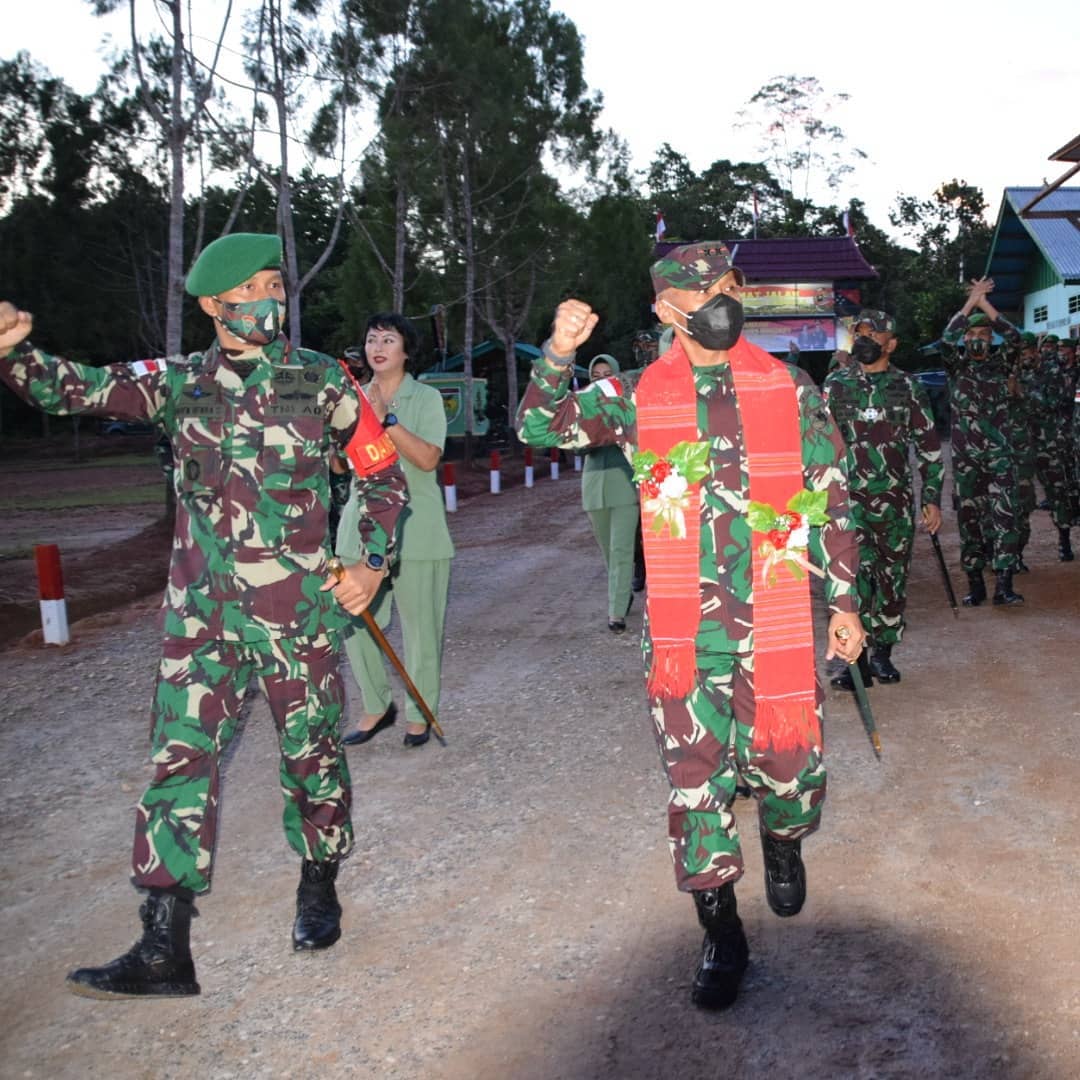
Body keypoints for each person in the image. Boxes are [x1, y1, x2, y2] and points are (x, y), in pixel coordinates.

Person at [0, 233, 408, 998]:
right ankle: (163, 946)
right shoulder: (180, 382)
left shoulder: (320, 380)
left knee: (312, 755)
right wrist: (14, 355)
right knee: (177, 765)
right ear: (217, 304)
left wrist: (371, 564)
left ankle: (318, 885)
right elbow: (76, 389)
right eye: (255, 288)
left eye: (276, 286)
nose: (272, 300)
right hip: (202, 624)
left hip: (300, 617)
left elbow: (383, 479)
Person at [516, 242, 863, 1011]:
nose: (721, 300)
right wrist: (557, 354)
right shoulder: (635, 394)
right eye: (703, 291)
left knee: (791, 768)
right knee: (695, 786)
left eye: (730, 286)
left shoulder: (791, 388)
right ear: (667, 311)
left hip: (772, 623)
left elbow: (831, 495)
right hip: (685, 635)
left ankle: (781, 840)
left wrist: (845, 603)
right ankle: (721, 931)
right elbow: (539, 429)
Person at [338, 313, 454, 749]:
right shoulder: (350, 399)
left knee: (421, 626)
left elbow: (427, 459)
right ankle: (375, 705)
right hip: (359, 526)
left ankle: (420, 712)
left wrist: (386, 420)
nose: (378, 347)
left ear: (405, 351)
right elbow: (338, 464)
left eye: (389, 339)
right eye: (371, 339)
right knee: (355, 618)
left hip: (417, 525)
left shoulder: (425, 397)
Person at [823, 310, 944, 687]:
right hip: (848, 503)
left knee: (891, 580)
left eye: (874, 334)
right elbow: (819, 442)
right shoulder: (836, 384)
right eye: (859, 332)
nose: (865, 338)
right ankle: (852, 661)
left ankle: (882, 653)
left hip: (895, 503)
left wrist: (932, 497)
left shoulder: (907, 386)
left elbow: (928, 445)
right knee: (850, 579)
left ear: (891, 343)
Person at [939, 278, 1024, 605]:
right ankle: (975, 584)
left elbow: (1014, 336)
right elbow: (946, 339)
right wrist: (970, 301)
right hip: (966, 460)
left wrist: (985, 305)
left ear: (991, 340)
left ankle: (1004, 584)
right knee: (969, 520)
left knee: (1005, 516)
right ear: (965, 339)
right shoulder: (955, 367)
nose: (977, 340)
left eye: (984, 335)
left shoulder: (1001, 366)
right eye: (971, 335)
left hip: (1000, 455)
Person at [580, 354, 641, 632]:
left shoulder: (631, 403)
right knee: (607, 549)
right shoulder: (583, 405)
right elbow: (574, 444)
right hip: (593, 483)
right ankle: (623, 592)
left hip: (624, 480)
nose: (601, 379)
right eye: (596, 375)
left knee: (621, 547)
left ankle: (615, 612)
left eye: (607, 374)